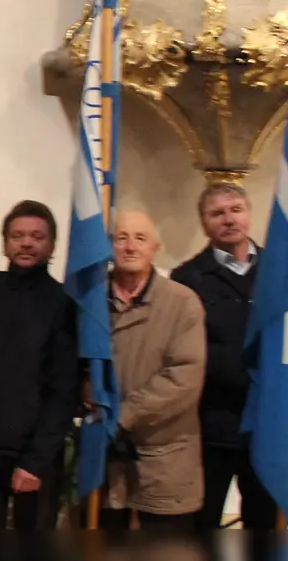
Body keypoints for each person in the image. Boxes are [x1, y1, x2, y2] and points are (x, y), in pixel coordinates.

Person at [170, 183, 288, 529]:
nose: (229, 219)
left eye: (236, 209)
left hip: (269, 426)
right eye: (217, 213)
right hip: (212, 425)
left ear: (249, 214)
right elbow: (183, 351)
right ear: (204, 222)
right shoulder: (187, 278)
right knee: (202, 525)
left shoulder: (283, 271)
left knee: (264, 526)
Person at [0, 200, 78, 531]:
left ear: (51, 244)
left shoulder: (62, 303)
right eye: (17, 235)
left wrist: (36, 462)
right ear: (4, 242)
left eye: (36, 237)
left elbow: (63, 390)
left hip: (34, 455)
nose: (26, 243)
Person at [101, 209, 206, 532]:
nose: (131, 246)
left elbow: (184, 377)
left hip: (165, 457)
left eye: (140, 238)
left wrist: (124, 415)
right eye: (121, 238)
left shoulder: (182, 303)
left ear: (154, 247)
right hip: (104, 461)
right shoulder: (90, 302)